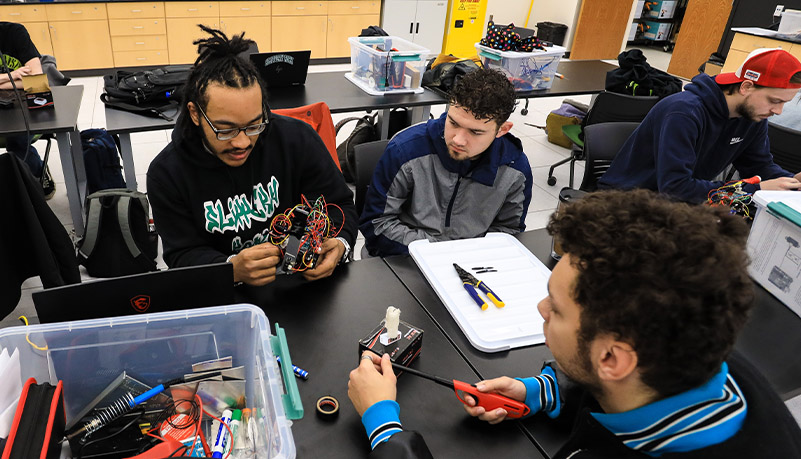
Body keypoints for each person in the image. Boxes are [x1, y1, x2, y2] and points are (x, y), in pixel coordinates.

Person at [348, 189, 801, 458]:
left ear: (611, 356)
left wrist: (385, 427)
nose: (542, 310)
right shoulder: (704, 355)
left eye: (557, 308)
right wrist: (544, 392)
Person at [147, 26, 357, 286]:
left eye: (254, 125)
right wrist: (230, 269)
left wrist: (341, 244)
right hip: (228, 298)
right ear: (195, 114)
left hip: (301, 288)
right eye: (225, 130)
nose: (242, 142)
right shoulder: (166, 174)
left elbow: (340, 205)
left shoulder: (297, 139)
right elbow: (182, 254)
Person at [359, 68, 533, 257]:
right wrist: (437, 252)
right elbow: (377, 224)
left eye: (475, 132)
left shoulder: (515, 169)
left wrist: (466, 256)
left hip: (472, 261)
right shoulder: (405, 150)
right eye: (453, 123)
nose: (458, 139)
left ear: (502, 130)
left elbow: (510, 231)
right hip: (405, 255)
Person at [599, 48, 801, 203]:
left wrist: (793, 182)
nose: (778, 111)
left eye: (784, 103)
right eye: (775, 101)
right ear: (746, 86)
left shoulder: (754, 116)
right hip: (629, 200)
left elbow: (759, 166)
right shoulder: (684, 112)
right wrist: (754, 190)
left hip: (680, 201)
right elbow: (675, 188)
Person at [0, 21, 54, 199]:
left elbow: (37, 79)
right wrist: (13, 75)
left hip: (21, 105)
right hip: (14, 93)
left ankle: (37, 175)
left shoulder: (14, 32)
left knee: (17, 139)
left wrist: (4, 81)